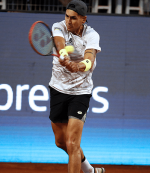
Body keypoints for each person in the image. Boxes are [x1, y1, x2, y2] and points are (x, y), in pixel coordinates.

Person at [48, 0, 104, 173]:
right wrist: (63, 53)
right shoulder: (58, 26)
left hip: (80, 92)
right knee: (61, 142)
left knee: (73, 143)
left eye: (73, 18)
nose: (68, 21)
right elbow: (59, 42)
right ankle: (89, 171)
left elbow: (89, 59)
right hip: (58, 89)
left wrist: (77, 66)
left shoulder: (92, 35)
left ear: (83, 19)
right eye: (66, 16)